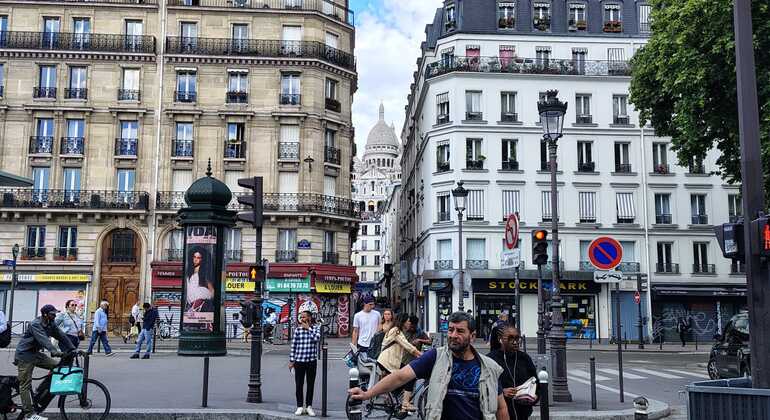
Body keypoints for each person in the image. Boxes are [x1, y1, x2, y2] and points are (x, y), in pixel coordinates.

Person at [350, 311, 509, 420]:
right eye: (451, 330)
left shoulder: (488, 367)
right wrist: (367, 394)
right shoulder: (435, 357)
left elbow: (501, 408)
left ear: (472, 336)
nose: (453, 335)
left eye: (460, 331)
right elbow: (400, 376)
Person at [15, 304, 75, 420]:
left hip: (35, 354)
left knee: (57, 367)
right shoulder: (35, 324)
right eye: (52, 314)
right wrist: (54, 351)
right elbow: (43, 339)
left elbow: (61, 335)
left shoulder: (50, 323)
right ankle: (29, 415)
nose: (55, 316)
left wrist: (72, 348)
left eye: (55, 314)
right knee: (25, 385)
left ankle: (40, 391)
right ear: (45, 314)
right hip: (25, 355)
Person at [487, 325, 538, 420]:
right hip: (499, 413)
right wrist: (502, 392)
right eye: (510, 339)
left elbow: (535, 382)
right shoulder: (490, 359)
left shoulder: (524, 358)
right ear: (500, 339)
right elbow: (484, 387)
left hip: (522, 412)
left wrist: (534, 396)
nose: (515, 342)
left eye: (517, 338)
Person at [289, 310, 320, 417]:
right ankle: (299, 406)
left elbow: (317, 339)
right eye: (301, 317)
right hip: (299, 361)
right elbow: (294, 346)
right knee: (299, 384)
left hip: (311, 361)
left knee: (310, 384)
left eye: (304, 317)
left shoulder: (315, 328)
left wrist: (308, 329)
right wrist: (291, 360)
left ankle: (309, 406)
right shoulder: (297, 330)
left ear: (309, 318)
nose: (302, 319)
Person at [399, 315, 432, 412]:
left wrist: (420, 340)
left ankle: (406, 403)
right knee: (401, 382)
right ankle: (400, 401)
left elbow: (430, 341)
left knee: (411, 380)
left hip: (414, 360)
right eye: (410, 325)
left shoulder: (419, 332)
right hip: (402, 359)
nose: (411, 328)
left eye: (413, 326)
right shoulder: (403, 331)